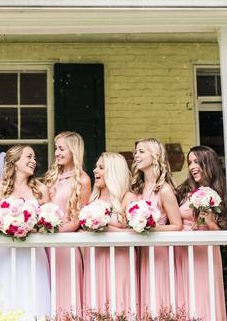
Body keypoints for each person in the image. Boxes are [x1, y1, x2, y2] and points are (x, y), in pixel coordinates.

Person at [0, 145, 52, 319]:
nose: (33, 161)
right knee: (2, 297)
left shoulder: (41, 189)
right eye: (29, 157)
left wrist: (28, 226)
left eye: (34, 158)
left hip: (32, 252)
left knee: (31, 296)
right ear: (14, 161)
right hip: (3, 252)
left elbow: (47, 224)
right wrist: (7, 225)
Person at [125, 138, 183, 317]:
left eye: (141, 152)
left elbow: (177, 225)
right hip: (143, 252)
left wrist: (150, 227)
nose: (136, 155)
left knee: (157, 299)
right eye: (136, 152)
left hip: (159, 253)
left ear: (155, 155)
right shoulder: (139, 188)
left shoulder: (163, 190)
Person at [175, 145, 227, 321]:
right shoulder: (183, 190)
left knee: (204, 297)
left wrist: (210, 221)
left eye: (196, 162)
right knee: (183, 298)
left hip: (205, 252)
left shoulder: (221, 191)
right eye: (190, 162)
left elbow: (222, 233)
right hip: (181, 251)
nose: (192, 167)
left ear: (208, 163)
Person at [43, 131, 92, 314]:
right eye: (56, 148)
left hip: (65, 246)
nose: (56, 153)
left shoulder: (83, 180)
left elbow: (76, 221)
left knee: (66, 297)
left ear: (73, 150)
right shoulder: (51, 176)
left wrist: (53, 231)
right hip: (46, 244)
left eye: (61, 149)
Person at [84, 151, 135, 317]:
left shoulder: (128, 198)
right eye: (95, 167)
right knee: (96, 303)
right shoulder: (92, 200)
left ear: (113, 171)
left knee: (119, 302)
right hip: (95, 257)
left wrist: (103, 227)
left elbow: (134, 232)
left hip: (120, 258)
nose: (95, 171)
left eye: (101, 168)